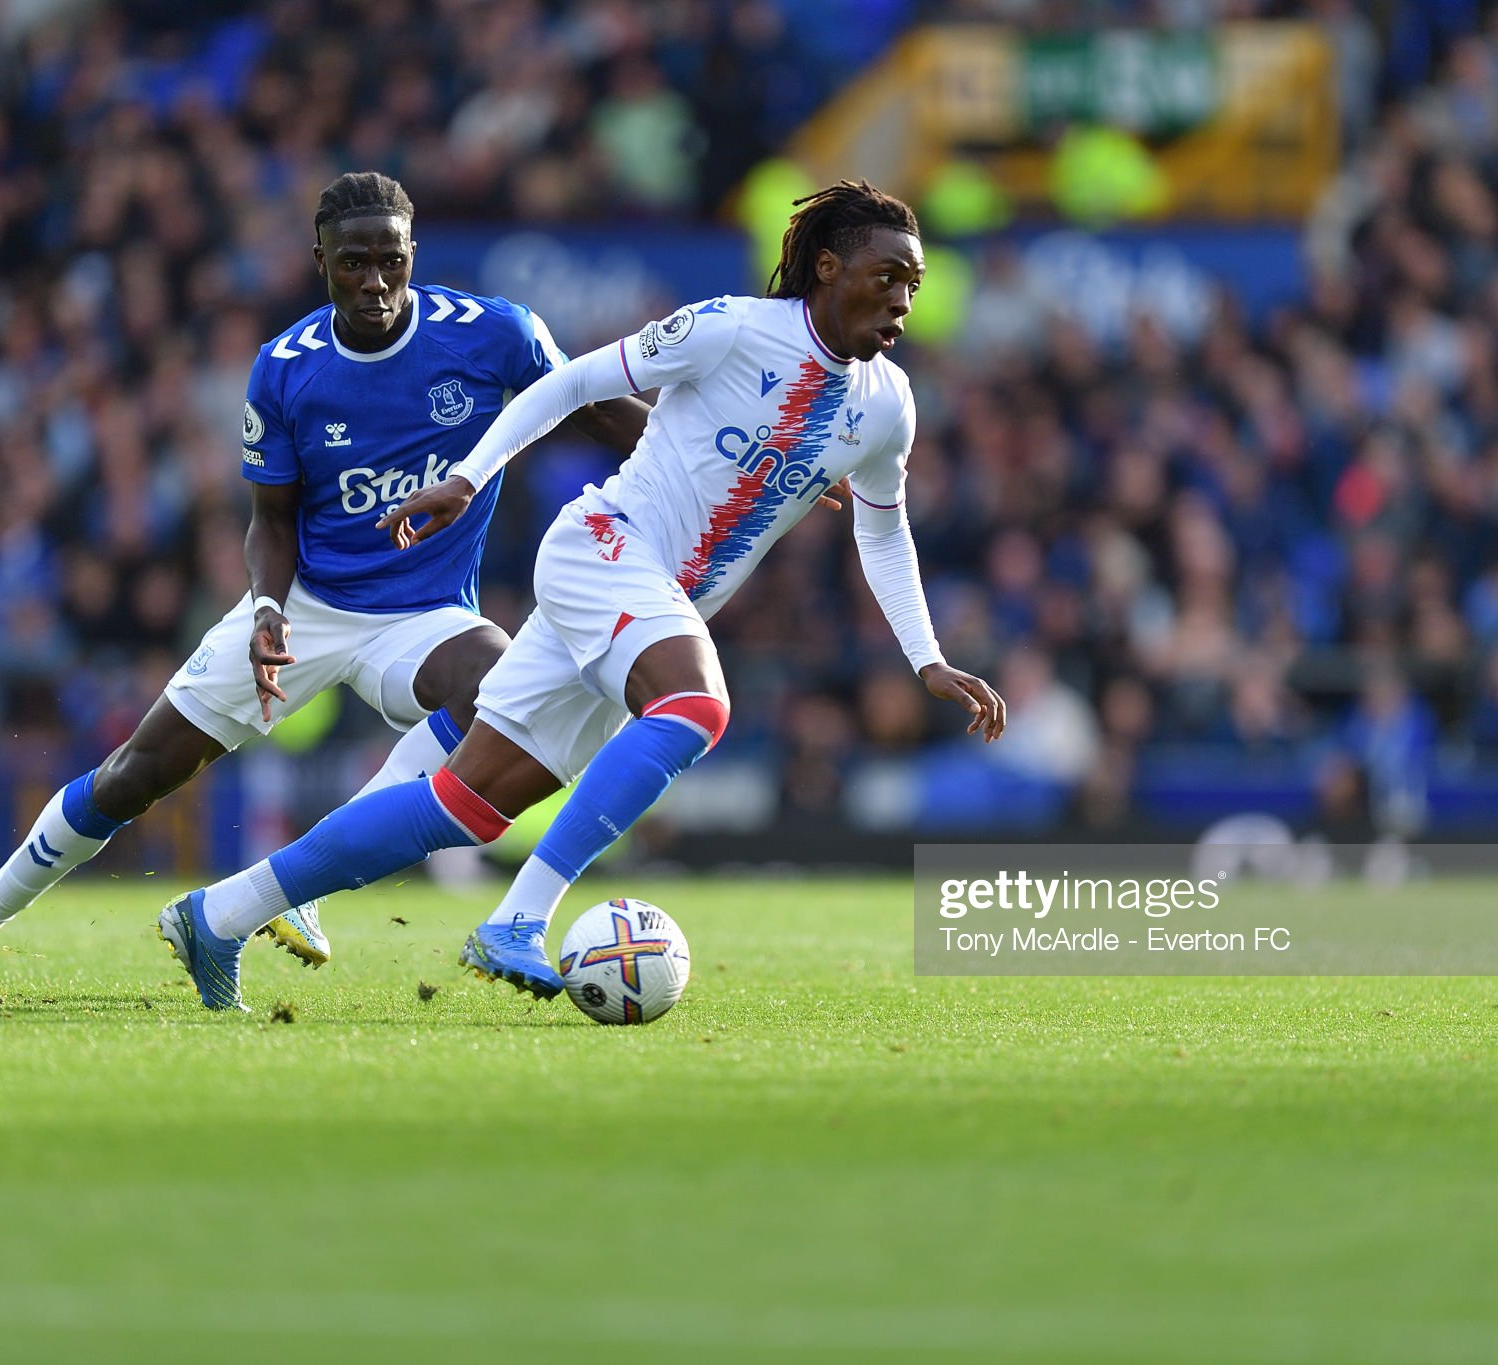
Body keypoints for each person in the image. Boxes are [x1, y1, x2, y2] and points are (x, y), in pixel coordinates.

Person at [156, 180, 1007, 1011]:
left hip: (650, 600)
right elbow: (569, 385)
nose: (902, 300)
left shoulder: (888, 406)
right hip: (604, 550)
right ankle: (517, 919)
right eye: (887, 277)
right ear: (827, 267)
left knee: (465, 807)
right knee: (694, 708)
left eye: (914, 285)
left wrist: (927, 658)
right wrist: (465, 475)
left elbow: (883, 529)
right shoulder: (730, 329)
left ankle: (219, 913)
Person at [0, 171, 652, 990]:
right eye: (354, 263)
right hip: (307, 604)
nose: (376, 282)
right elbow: (271, 520)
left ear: (415, 254)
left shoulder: (493, 335)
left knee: (497, 680)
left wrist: (697, 454)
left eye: (392, 260)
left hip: (424, 616)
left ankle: (299, 886)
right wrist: (269, 606)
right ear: (319, 260)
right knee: (134, 774)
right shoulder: (287, 370)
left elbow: (591, 410)